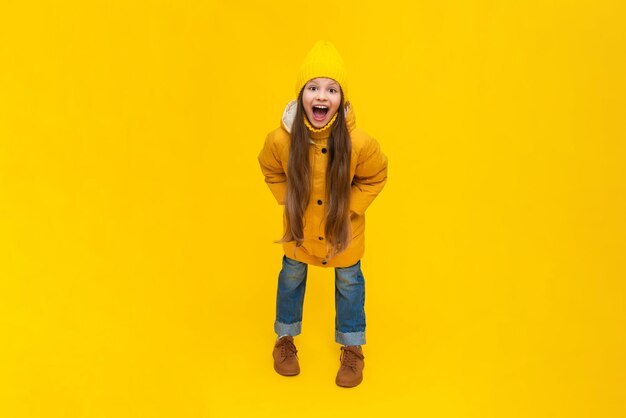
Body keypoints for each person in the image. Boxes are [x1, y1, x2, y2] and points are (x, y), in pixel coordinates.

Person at [258, 40, 388, 388]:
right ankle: (284, 340)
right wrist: (289, 201)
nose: (321, 96)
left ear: (342, 99)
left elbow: (377, 175)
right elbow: (269, 168)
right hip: (299, 231)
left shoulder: (360, 143)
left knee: (349, 285)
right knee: (290, 279)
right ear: (301, 95)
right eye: (312, 87)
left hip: (342, 232)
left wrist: (351, 209)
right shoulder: (280, 140)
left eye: (331, 89)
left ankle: (352, 348)